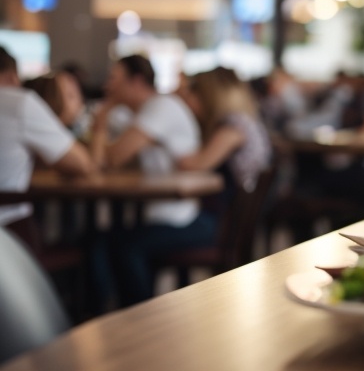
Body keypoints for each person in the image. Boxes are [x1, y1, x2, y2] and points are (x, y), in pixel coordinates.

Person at [88, 54, 209, 304]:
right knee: (101, 241)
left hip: (184, 217)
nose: (107, 85)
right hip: (169, 212)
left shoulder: (161, 107)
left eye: (114, 78)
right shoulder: (147, 111)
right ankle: (114, 316)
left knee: (116, 246)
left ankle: (133, 320)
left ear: (137, 81)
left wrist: (100, 123)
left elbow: (111, 160)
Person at [0, 47, 96, 232]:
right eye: (70, 95)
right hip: (7, 230)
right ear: (12, 77)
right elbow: (83, 165)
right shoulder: (19, 102)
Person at [177, 67, 272, 197]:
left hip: (228, 212)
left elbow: (195, 165)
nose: (188, 99)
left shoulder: (233, 127)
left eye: (194, 91)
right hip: (230, 206)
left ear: (208, 96)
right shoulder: (243, 120)